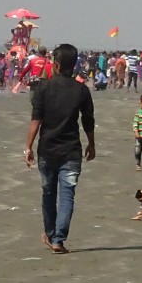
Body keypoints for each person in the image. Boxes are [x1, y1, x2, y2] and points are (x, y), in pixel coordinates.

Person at [24, 44, 95, 254]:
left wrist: (27, 147)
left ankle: (50, 232)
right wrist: (92, 144)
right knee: (67, 195)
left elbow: (36, 120)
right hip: (71, 150)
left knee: (48, 193)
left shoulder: (43, 88)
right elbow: (88, 120)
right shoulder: (81, 90)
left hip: (47, 150)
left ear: (55, 64)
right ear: (73, 66)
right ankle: (58, 240)